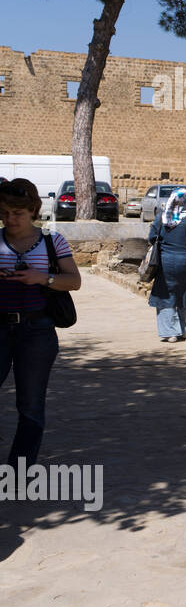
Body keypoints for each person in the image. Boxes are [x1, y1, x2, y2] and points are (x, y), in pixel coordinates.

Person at [0, 178, 81, 467]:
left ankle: (19, 472)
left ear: (33, 210)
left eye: (17, 213)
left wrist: (42, 278)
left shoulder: (51, 240)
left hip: (36, 331)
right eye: (5, 212)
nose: (10, 219)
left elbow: (74, 281)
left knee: (30, 406)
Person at [147, 188, 186, 342]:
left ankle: (171, 332)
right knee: (184, 293)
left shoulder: (161, 218)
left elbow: (151, 238)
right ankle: (185, 329)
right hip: (185, 262)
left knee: (166, 294)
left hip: (165, 262)